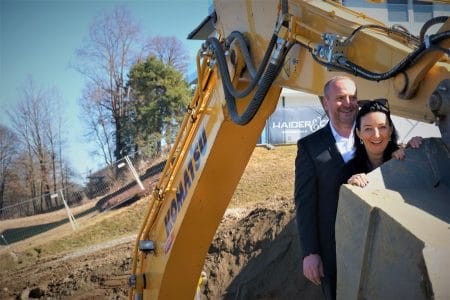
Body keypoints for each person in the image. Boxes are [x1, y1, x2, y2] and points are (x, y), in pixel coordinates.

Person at [294, 76, 358, 300]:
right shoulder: (310, 147)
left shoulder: (373, 135)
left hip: (372, 240)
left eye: (352, 97)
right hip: (333, 250)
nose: (348, 103)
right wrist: (310, 252)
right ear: (325, 103)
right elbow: (305, 202)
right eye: (340, 98)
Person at [347, 99, 421, 187]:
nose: (376, 135)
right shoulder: (348, 171)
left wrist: (413, 153)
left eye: (382, 127)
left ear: (391, 130)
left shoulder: (402, 155)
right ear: (359, 133)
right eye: (368, 128)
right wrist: (350, 185)